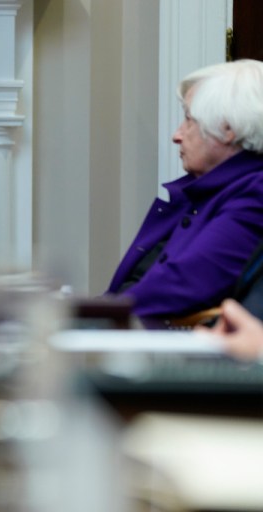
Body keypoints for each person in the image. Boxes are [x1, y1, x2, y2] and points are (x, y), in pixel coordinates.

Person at [107, 59, 263, 319]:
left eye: (188, 119)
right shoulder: (204, 191)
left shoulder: (255, 192)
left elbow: (186, 283)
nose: (177, 135)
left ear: (228, 129)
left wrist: (91, 317)